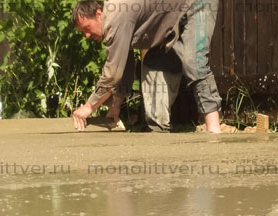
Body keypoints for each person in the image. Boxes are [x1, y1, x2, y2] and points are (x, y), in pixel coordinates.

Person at [71, 0, 220, 134]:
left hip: (196, 4)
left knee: (193, 62)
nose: (87, 36)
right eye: (83, 32)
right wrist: (116, 107)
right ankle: (159, 133)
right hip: (167, 20)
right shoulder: (115, 21)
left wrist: (89, 107)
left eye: (87, 28)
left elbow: (113, 73)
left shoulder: (116, 17)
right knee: (153, 62)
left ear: (99, 14)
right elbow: (124, 65)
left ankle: (214, 130)